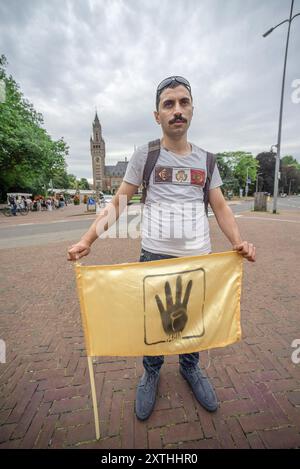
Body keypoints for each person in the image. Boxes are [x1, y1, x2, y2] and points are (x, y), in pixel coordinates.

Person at [67, 75, 256, 421]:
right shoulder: (146, 155)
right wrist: (87, 239)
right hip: (153, 256)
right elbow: (119, 203)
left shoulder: (207, 160)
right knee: (154, 322)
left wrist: (237, 242)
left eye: (183, 102)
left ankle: (190, 367)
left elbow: (221, 207)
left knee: (194, 320)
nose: (177, 110)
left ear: (192, 110)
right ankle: (151, 372)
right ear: (157, 115)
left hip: (198, 257)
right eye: (169, 104)